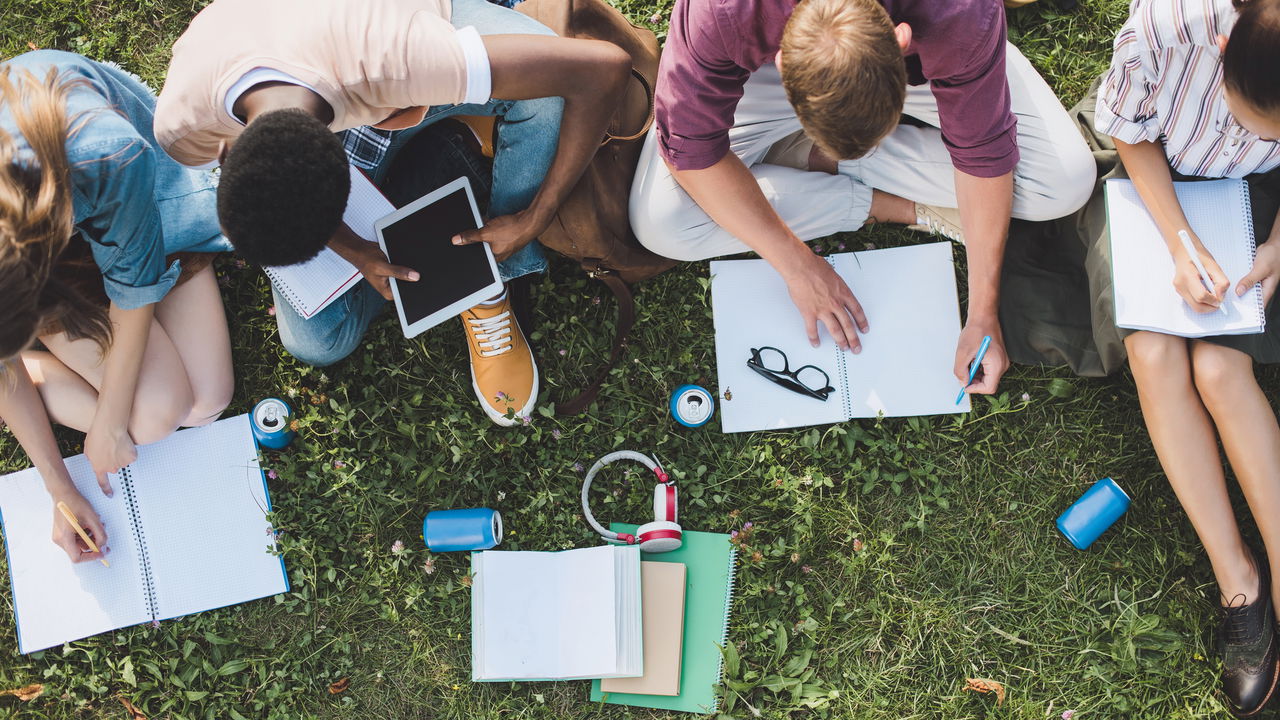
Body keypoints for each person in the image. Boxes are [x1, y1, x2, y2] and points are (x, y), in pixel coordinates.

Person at [154, 0, 629, 426]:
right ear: (225, 152)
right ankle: (443, 178)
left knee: (544, 98)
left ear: (350, 171)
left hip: (392, 31)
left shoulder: (401, 58)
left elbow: (603, 70)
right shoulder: (182, 124)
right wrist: (354, 247)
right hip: (317, 65)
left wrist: (536, 216)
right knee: (319, 342)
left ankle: (493, 271)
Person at [630, 0, 1095, 396]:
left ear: (901, 41)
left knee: (1064, 183)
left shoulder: (961, 15)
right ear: (782, 63)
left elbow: (986, 153)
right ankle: (876, 195)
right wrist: (797, 264)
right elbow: (688, 148)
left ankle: (809, 159)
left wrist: (982, 313)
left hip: (926, 56)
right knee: (663, 222)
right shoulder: (725, 12)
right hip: (766, 70)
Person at [1091, 0, 1280, 713]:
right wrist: (1178, 242)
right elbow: (1131, 136)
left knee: (1221, 369)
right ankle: (1238, 577)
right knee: (1157, 354)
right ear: (1225, 46)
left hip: (1260, 200)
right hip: (1156, 185)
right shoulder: (1164, 29)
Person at [0, 51, 233, 564]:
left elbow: (133, 285)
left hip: (124, 201)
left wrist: (107, 423)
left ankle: (46, 364)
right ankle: (37, 370)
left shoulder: (105, 157)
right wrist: (60, 489)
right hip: (57, 240)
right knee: (157, 417)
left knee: (204, 403)